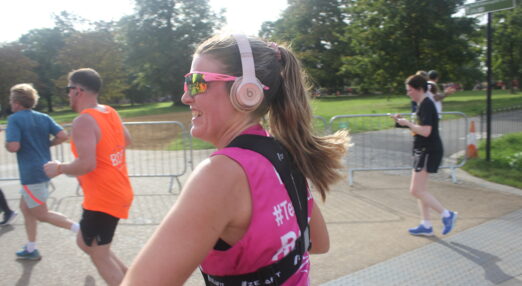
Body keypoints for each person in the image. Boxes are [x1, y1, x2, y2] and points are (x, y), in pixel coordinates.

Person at [121, 34, 348, 285]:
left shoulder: (219, 174)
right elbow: (317, 243)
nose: (186, 96)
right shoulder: (282, 154)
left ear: (246, 91)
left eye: (195, 82)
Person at [44, 68, 133, 286]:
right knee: (87, 244)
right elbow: (127, 140)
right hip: (114, 191)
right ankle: (133, 278)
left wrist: (59, 168)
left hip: (104, 197)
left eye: (68, 89)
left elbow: (86, 164)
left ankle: (130, 280)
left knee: (98, 254)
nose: (68, 95)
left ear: (77, 91)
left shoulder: (83, 121)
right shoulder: (109, 112)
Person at [5, 83, 79, 260]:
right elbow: (62, 135)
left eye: (11, 100)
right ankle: (31, 248)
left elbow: (14, 146)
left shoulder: (15, 119)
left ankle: (81, 229)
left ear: (16, 102)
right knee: (25, 208)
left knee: (41, 214)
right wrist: (48, 144)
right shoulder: (43, 117)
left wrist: (7, 144)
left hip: (32, 174)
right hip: (45, 170)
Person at [390, 74, 457, 237]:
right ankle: (426, 224)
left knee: (415, 190)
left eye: (410, 90)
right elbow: (419, 128)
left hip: (428, 150)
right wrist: (403, 122)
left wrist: (407, 123)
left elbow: (426, 131)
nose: (408, 93)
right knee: (420, 190)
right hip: (423, 150)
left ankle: (447, 215)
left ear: (419, 89)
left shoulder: (426, 105)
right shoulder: (422, 104)